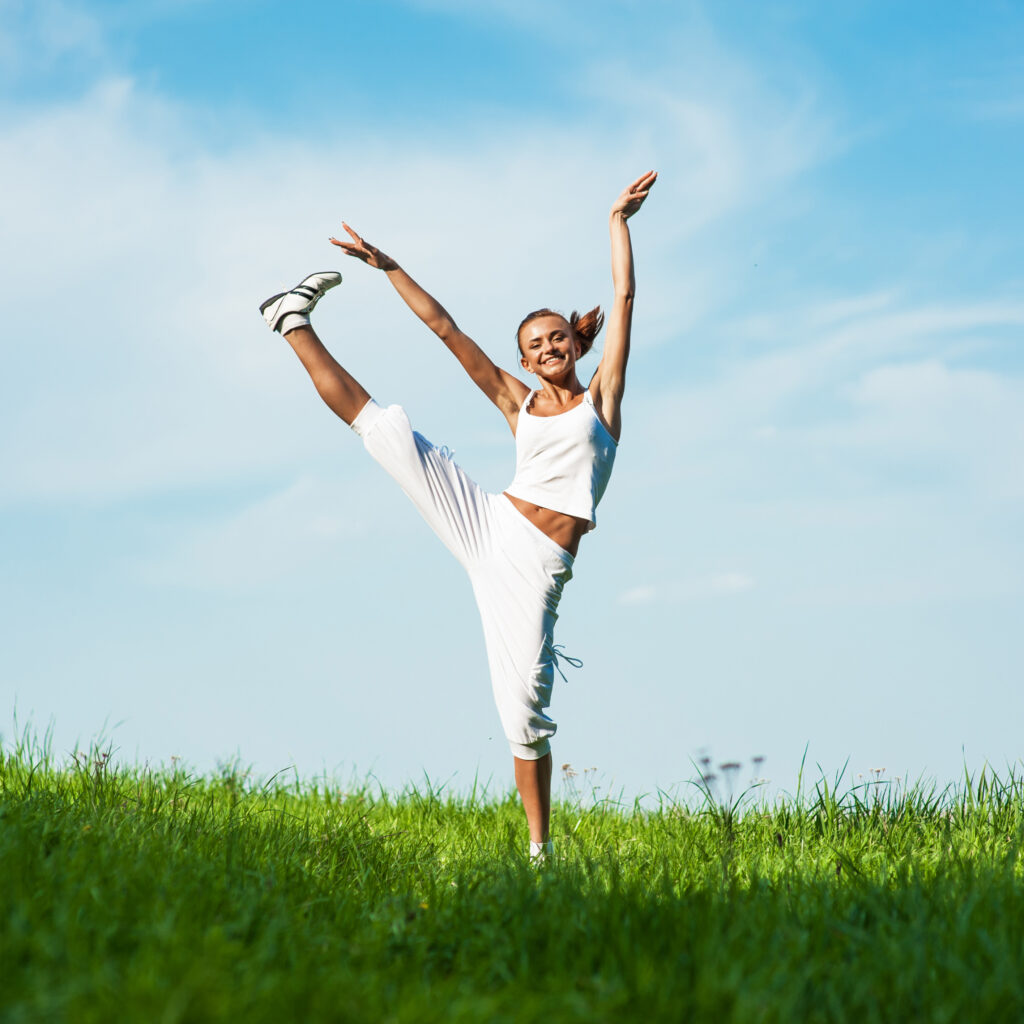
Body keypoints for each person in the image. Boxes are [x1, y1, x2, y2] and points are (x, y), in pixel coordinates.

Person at [259, 170, 657, 859]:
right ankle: (290, 321)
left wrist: (616, 221)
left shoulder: (604, 399)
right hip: (491, 523)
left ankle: (539, 852)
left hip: (534, 569)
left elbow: (623, 296)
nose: (548, 349)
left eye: (558, 338)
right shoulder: (516, 401)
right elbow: (446, 330)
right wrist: (390, 267)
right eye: (535, 344)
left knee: (524, 718)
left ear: (576, 344)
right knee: (384, 432)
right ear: (524, 359)